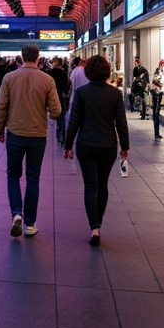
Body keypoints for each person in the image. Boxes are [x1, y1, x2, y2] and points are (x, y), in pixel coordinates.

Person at [0, 43, 61, 238]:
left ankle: (16, 213)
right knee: (33, 178)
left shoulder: (9, 78)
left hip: (15, 134)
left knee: (13, 175)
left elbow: (1, 106)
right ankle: (30, 224)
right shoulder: (47, 80)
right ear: (38, 57)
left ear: (22, 57)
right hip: (37, 135)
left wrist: (0, 129)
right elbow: (56, 111)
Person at [63, 54, 130, 246]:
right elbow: (121, 123)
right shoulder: (115, 94)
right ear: (107, 72)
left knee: (90, 185)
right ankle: (98, 222)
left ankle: (94, 227)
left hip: (86, 144)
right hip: (108, 145)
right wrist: (125, 146)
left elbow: (74, 121)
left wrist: (68, 145)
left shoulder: (82, 93)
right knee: (102, 185)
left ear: (88, 71)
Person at [47, 56, 70, 147]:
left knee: (56, 116)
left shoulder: (50, 74)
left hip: (53, 98)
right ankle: (62, 136)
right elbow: (68, 85)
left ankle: (58, 132)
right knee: (62, 118)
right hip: (61, 98)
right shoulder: (64, 73)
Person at [149, 60, 164, 139]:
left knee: (156, 110)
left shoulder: (159, 71)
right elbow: (155, 80)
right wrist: (160, 84)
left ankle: (157, 132)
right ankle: (156, 132)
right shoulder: (158, 71)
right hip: (156, 92)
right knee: (156, 111)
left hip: (156, 91)